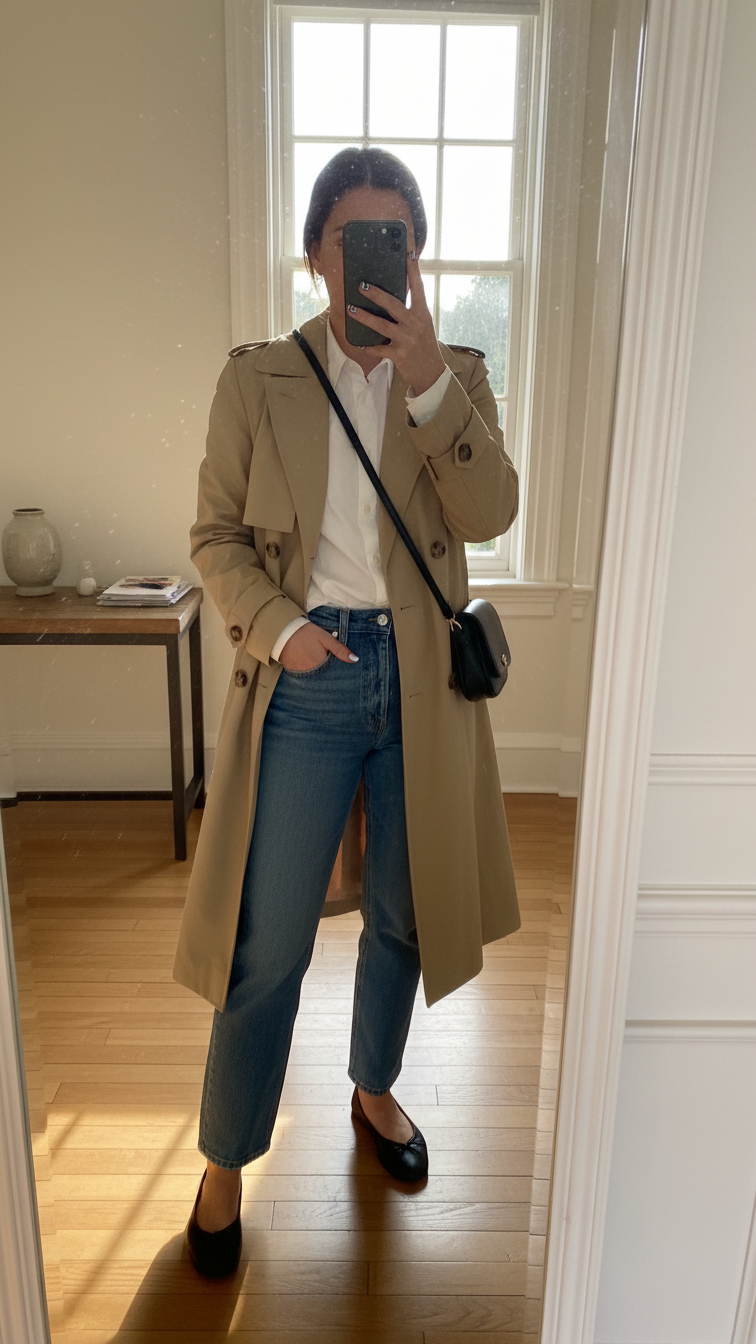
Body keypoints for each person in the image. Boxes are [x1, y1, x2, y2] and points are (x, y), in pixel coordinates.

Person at [173, 147, 521, 1277]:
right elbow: (216, 537)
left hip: (423, 683)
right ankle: (226, 1160)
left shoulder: (455, 372)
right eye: (353, 239)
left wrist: (428, 387)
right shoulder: (259, 379)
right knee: (266, 939)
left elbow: (493, 508)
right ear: (317, 254)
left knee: (405, 917)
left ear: (416, 257)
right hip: (310, 676)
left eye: (398, 241)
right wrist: (281, 628)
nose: (377, 260)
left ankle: (374, 1091)